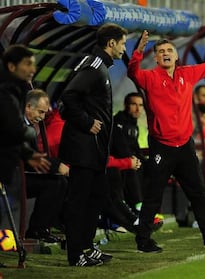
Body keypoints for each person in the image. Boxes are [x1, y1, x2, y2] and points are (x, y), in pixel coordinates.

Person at [127, 26, 205, 252]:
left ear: (176, 56)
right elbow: (132, 72)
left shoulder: (188, 73)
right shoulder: (148, 78)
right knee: (153, 196)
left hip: (184, 146)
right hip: (162, 147)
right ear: (156, 58)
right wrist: (138, 51)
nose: (166, 53)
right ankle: (144, 240)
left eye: (170, 50)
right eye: (161, 51)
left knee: (197, 192)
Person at [58, 23, 128, 267]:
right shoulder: (94, 66)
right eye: (122, 43)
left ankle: (86, 247)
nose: (123, 48)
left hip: (94, 149)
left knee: (96, 197)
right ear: (111, 43)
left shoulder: (100, 67)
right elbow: (67, 96)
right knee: (79, 201)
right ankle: (75, 254)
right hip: (83, 147)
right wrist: (87, 122)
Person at [0, 45, 50, 188]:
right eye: (28, 64)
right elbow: (14, 129)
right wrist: (31, 132)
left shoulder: (15, 90)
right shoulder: (6, 91)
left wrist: (26, 153)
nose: (33, 70)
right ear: (11, 66)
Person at [23, 89, 68, 243]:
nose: (42, 118)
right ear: (28, 106)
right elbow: (29, 157)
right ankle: (37, 230)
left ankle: (41, 229)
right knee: (53, 184)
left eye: (44, 113)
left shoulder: (27, 127)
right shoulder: (17, 125)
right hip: (11, 177)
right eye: (40, 112)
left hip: (19, 173)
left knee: (59, 182)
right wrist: (56, 166)